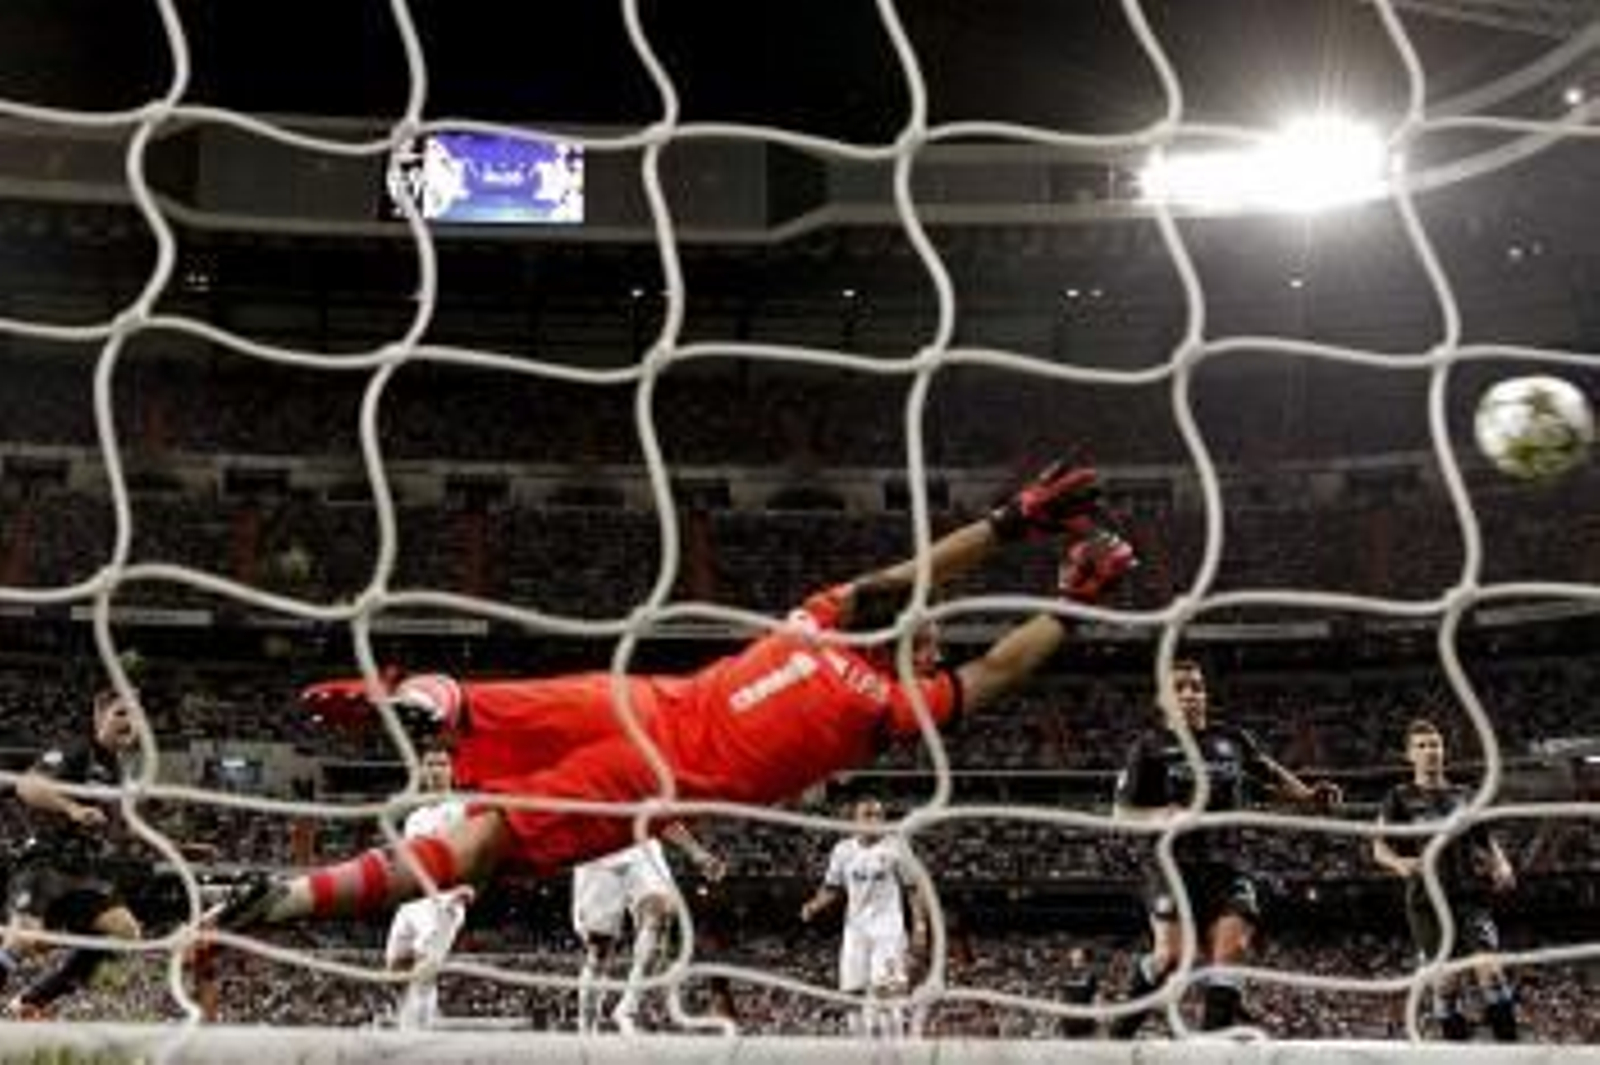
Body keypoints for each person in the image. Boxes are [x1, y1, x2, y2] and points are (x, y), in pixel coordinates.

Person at [211, 460, 1134, 936]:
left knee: (483, 825)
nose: (931, 631)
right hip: (643, 721)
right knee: (477, 717)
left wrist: (1069, 602)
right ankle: (410, 699)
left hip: (652, 760)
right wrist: (1010, 523)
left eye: (935, 641)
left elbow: (997, 672)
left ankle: (288, 896)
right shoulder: (825, 625)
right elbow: (904, 578)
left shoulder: (882, 709)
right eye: (930, 627)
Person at [1110, 658, 1341, 1035]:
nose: (1190, 694)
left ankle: (1208, 1048)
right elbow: (1121, 813)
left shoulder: (1232, 740)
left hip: (1227, 865)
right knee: (1170, 957)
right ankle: (1117, 1039)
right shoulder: (1149, 748)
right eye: (1180, 687)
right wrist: (1162, 815)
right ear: (1163, 699)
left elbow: (1267, 772)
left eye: (1197, 686)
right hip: (1171, 865)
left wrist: (1308, 795)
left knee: (1231, 953)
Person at [0, 688, 145, 1019]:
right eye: (121, 713)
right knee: (24, 939)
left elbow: (121, 827)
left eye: (135, 715)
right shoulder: (77, 748)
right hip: (47, 860)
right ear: (99, 716)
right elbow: (27, 786)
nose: (129, 721)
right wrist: (72, 808)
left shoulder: (117, 768)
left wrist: (176, 847)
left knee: (125, 932)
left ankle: (30, 1003)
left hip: (83, 870)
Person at [1373, 718, 1519, 1042]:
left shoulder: (1464, 794)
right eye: (1422, 746)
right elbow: (1378, 848)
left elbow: (1485, 840)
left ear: (1444, 750)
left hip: (1469, 895)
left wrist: (1502, 864)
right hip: (1426, 899)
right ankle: (1456, 1052)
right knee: (1446, 982)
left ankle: (1513, 1052)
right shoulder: (1398, 796)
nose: (1430, 751)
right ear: (1410, 755)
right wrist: (1399, 863)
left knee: (1490, 971)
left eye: (1435, 744)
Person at [573, 823, 724, 1034]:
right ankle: (587, 1026)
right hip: (595, 852)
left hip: (641, 850)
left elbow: (660, 816)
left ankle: (628, 1008)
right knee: (599, 951)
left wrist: (697, 852)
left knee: (661, 912)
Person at [799, 797, 927, 1039]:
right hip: (855, 930)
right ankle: (860, 1050)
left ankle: (898, 1050)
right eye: (867, 815)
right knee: (852, 993)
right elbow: (832, 887)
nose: (873, 820)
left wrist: (920, 927)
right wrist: (814, 905)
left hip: (888, 930)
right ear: (855, 820)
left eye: (877, 815)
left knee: (887, 992)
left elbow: (913, 889)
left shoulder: (896, 847)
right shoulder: (843, 850)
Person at [383, 747, 475, 1030]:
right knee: (395, 970)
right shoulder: (415, 818)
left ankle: (416, 1043)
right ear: (421, 770)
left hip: (444, 899)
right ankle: (411, 1024)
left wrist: (468, 885)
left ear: (452, 770)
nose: (435, 770)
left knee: (424, 974)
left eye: (442, 763)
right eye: (430, 764)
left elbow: (479, 851)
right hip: (412, 901)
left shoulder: (463, 810)